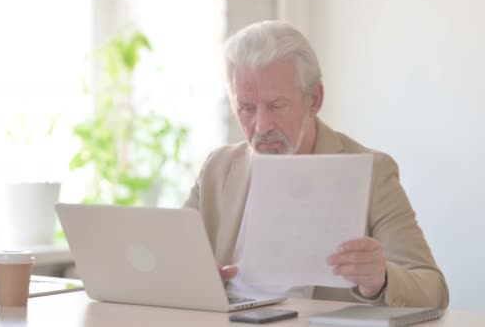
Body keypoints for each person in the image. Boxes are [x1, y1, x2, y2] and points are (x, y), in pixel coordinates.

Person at [183, 21, 449, 308]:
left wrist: (381, 278)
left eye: (276, 105)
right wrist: (193, 277)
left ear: (314, 100)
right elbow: (171, 260)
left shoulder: (373, 172)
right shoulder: (217, 168)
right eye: (247, 108)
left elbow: (433, 290)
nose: (260, 126)